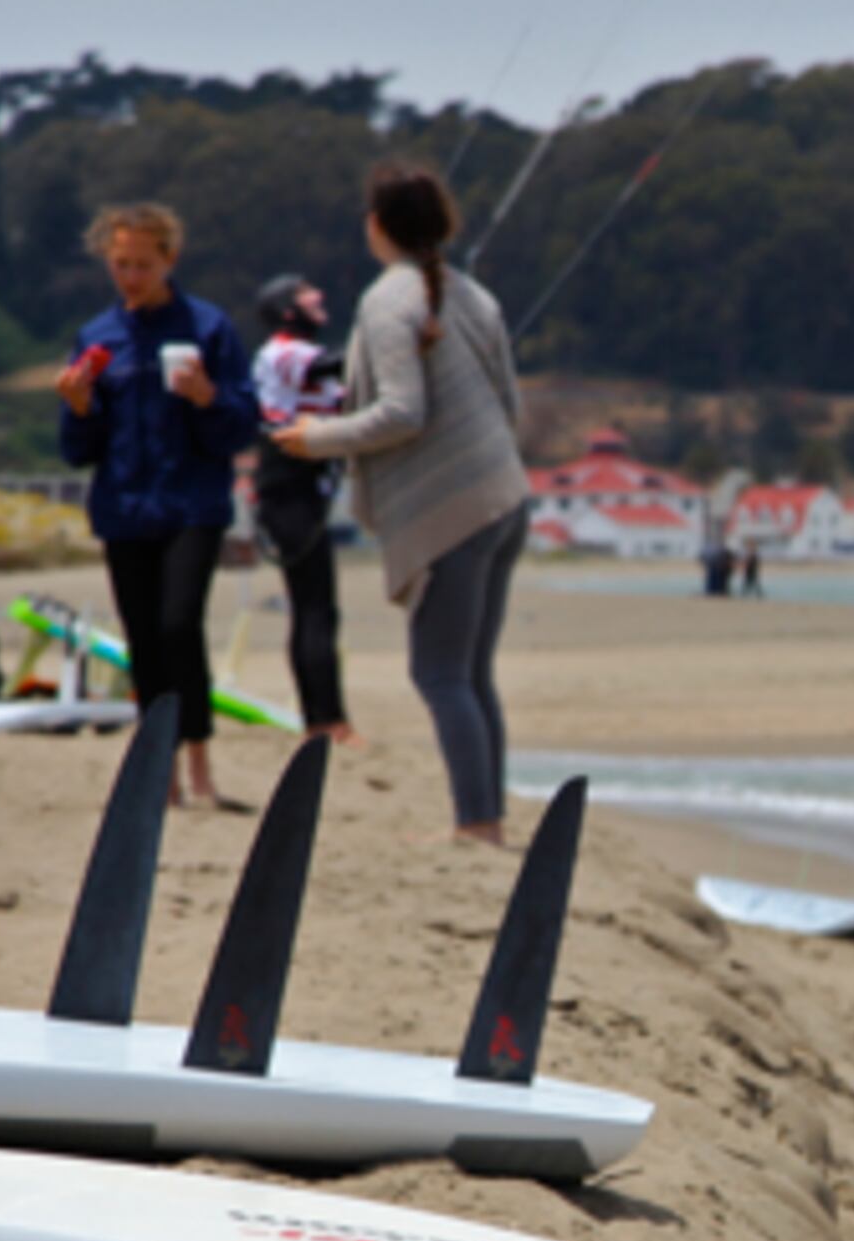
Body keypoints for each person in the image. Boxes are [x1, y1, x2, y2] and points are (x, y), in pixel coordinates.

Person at [270, 164, 531, 847]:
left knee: (440, 674)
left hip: (457, 509)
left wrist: (316, 438)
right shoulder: (472, 294)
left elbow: (402, 414)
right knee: (471, 675)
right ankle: (487, 819)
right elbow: (510, 405)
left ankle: (478, 827)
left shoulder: (390, 302)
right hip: (504, 496)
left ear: (377, 226)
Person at [57, 202, 260, 810]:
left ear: (170, 259)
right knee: (144, 638)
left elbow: (241, 428)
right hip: (124, 507)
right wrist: (78, 406)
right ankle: (161, 771)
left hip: (192, 504)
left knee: (178, 625)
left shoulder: (208, 328)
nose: (131, 277)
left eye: (143, 264)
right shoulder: (97, 338)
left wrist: (208, 398)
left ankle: (198, 759)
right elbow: (77, 452)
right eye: (121, 264)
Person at [248, 273, 356, 741]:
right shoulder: (285, 350)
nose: (320, 296)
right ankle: (327, 721)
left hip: (306, 488)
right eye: (308, 294)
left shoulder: (299, 353)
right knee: (315, 608)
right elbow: (341, 365)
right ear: (288, 310)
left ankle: (322, 719)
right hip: (288, 485)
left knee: (315, 607)